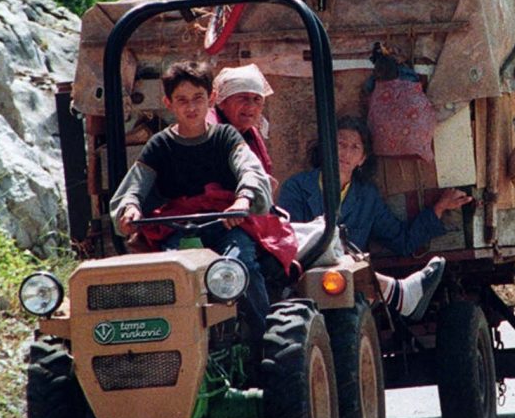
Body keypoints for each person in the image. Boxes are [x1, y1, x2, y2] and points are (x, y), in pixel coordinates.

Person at [110, 61, 287, 347]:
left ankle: (261, 343)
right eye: (182, 100)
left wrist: (242, 200)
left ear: (211, 100)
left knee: (241, 266)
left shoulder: (226, 137)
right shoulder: (159, 145)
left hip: (225, 225)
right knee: (170, 279)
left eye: (198, 99)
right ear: (168, 103)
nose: (191, 107)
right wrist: (129, 208)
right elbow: (134, 187)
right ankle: (170, 346)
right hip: (178, 230)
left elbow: (249, 171)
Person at [279, 116, 474, 321]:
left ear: (362, 159)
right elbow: (291, 241)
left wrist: (439, 208)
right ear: (326, 147)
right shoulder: (297, 187)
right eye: (340, 144)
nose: (345, 152)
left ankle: (398, 292)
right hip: (307, 278)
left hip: (348, 291)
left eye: (355, 147)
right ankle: (397, 293)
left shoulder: (367, 197)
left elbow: (402, 241)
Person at [209, 63, 275, 175]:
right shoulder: (209, 133)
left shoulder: (250, 133)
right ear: (222, 102)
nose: (251, 106)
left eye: (257, 99)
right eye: (242, 98)